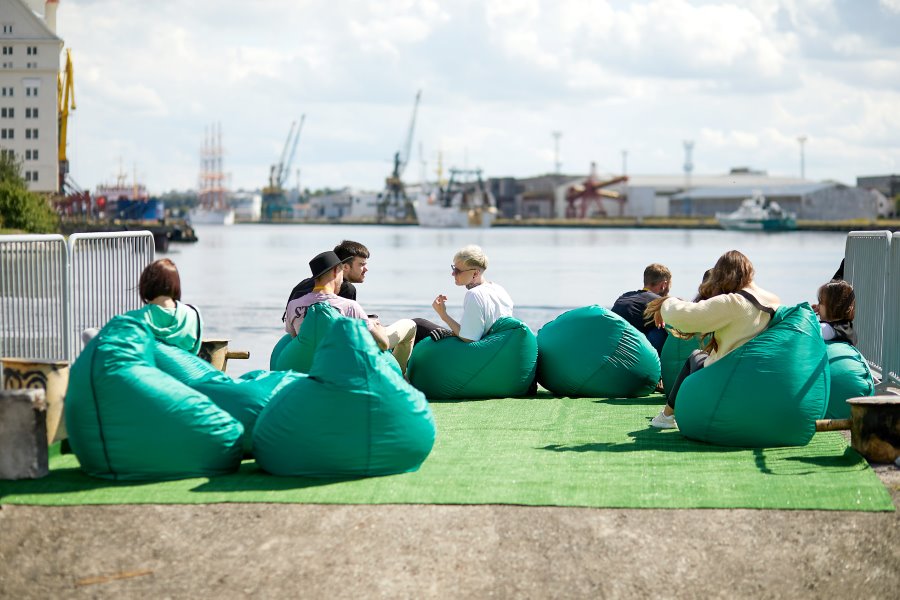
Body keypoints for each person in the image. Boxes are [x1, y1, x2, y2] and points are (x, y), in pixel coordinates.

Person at [643, 250, 780, 429]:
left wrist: (667, 302)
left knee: (696, 356)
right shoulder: (773, 300)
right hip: (758, 377)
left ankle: (667, 416)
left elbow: (684, 317)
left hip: (728, 377)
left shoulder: (733, 302)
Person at [284, 250, 417, 373]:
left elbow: (296, 339)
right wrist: (377, 328)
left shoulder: (293, 305)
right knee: (410, 325)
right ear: (336, 271)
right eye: (342, 272)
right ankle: (401, 378)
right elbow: (383, 344)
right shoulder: (349, 306)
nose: (342, 279)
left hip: (308, 366)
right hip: (343, 368)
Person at [425, 245, 514, 343]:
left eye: (457, 270)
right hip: (497, 346)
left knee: (420, 325)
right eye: (453, 268)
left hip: (478, 352)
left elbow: (469, 338)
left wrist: (443, 315)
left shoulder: (474, 294)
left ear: (475, 274)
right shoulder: (500, 290)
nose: (453, 273)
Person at [282, 240, 369, 322]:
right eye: (361, 264)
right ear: (345, 267)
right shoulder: (347, 288)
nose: (366, 269)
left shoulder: (302, 284)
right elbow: (346, 326)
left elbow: (288, 321)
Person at [136, 258, 203, 354]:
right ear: (176, 284)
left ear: (146, 284)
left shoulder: (135, 319)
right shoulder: (193, 315)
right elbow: (195, 351)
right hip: (183, 368)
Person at [611, 263, 672, 355]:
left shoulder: (624, 296)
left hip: (611, 347)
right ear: (664, 285)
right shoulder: (658, 302)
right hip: (634, 354)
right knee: (661, 329)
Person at [814, 279, 857, 345]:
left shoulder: (825, 329)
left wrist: (807, 313)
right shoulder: (848, 330)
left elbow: (800, 332)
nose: (818, 306)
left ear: (831, 306)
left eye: (820, 302)